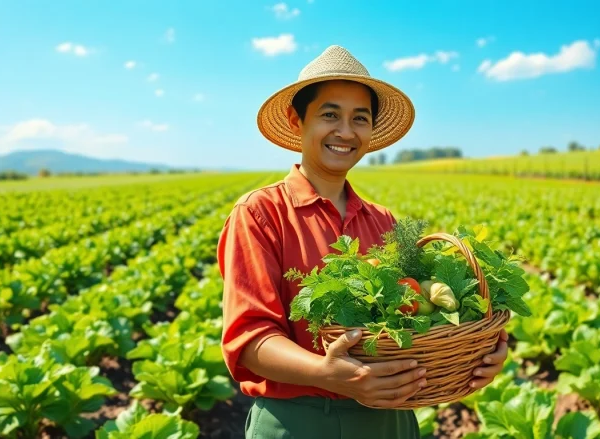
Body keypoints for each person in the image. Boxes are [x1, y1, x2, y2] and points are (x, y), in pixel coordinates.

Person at [217, 45, 509, 439]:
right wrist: (328, 373)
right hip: (298, 421)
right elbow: (250, 339)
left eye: (360, 118)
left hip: (389, 419)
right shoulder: (260, 213)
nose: (346, 131)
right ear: (296, 119)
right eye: (329, 115)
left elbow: (418, 320)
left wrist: (478, 354)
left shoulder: (384, 221)